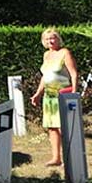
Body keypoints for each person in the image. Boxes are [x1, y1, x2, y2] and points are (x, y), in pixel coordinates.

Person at [30, 27, 78, 167]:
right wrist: (38, 93)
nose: (50, 41)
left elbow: (74, 73)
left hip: (63, 94)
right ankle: (56, 157)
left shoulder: (65, 53)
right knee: (52, 127)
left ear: (58, 39)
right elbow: (45, 77)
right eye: (47, 39)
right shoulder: (46, 55)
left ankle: (70, 156)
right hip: (49, 96)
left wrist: (74, 92)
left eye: (53, 38)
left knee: (65, 127)